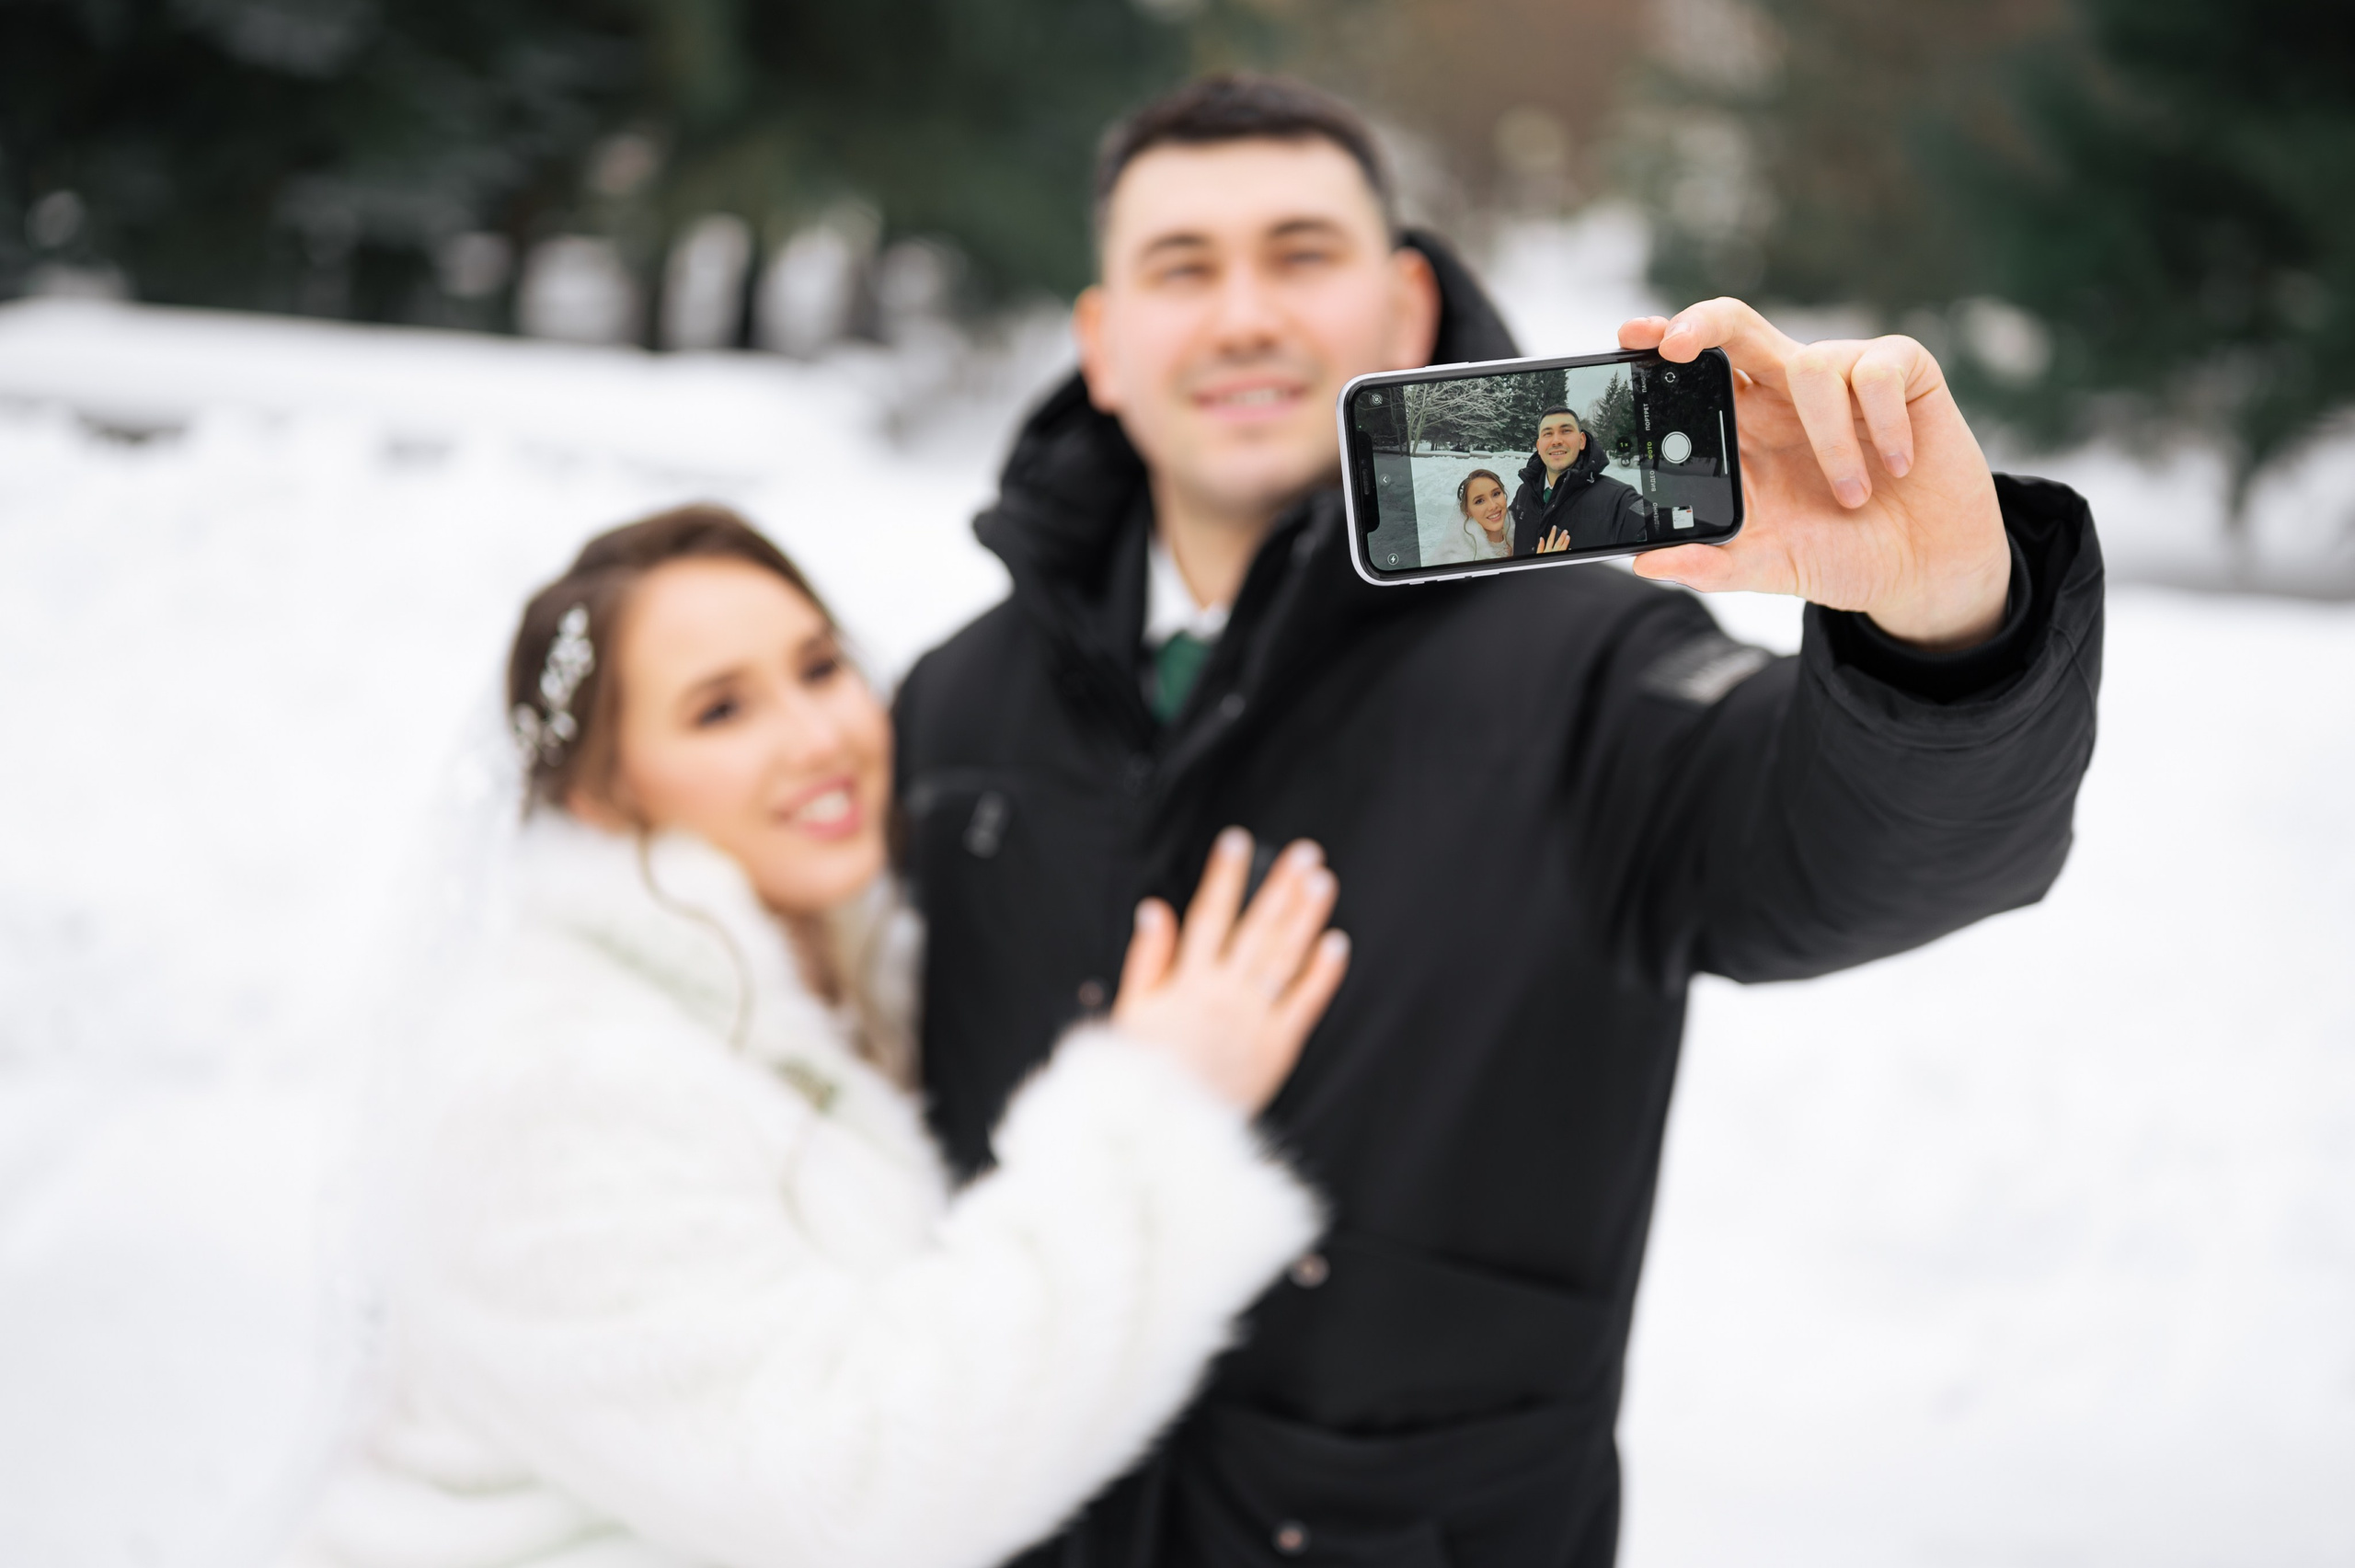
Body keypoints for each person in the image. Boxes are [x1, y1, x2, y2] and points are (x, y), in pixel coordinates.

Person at [892, 72, 2102, 1568]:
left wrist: (1946, 640)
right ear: (1103, 343)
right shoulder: (947, 711)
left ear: (1407, 311)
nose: (1244, 313)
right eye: (1182, 268)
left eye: (1301, 253)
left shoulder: (1596, 665)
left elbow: (1868, 858)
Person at [280, 506, 1354, 1568]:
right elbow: (853, 1483)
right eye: (720, 712)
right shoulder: (554, 1082)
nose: (818, 737)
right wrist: (1156, 1111)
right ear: (603, 795)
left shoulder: (844, 981)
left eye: (820, 667)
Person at [1510, 405, 1648, 555]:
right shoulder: (1524, 493)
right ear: (1539, 445)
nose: (1556, 441)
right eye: (1548, 434)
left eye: (1566, 431)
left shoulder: (1618, 498)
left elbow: (1657, 522)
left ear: (1582, 441)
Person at [1442, 467, 1514, 562]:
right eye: (1479, 501)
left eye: (1496, 494)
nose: (1492, 506)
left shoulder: (1520, 535)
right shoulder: (1456, 558)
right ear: (1467, 511)